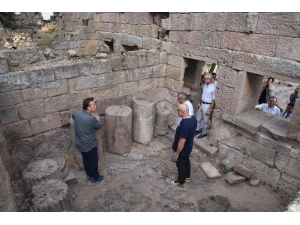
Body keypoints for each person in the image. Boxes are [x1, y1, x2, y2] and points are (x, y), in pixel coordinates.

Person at [72, 97, 104, 183]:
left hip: (80, 144)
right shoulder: (91, 119)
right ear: (88, 108)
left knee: (86, 159)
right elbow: (99, 126)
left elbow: (73, 115)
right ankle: (95, 177)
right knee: (93, 161)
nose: (95, 106)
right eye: (94, 105)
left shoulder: (77, 113)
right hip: (89, 145)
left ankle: (89, 175)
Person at [171, 103, 197, 187]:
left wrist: (177, 153)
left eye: (178, 110)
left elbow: (182, 141)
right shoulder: (193, 119)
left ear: (182, 112)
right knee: (186, 161)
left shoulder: (185, 125)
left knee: (180, 164)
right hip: (189, 146)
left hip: (183, 149)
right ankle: (187, 177)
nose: (177, 112)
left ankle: (181, 181)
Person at [196, 73, 216, 138]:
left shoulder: (213, 88)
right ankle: (197, 129)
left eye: (206, 79)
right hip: (202, 104)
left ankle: (204, 132)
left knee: (205, 121)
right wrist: (199, 102)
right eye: (204, 78)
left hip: (207, 105)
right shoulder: (205, 85)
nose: (205, 80)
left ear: (210, 79)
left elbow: (213, 100)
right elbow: (202, 94)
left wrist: (209, 110)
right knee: (198, 118)